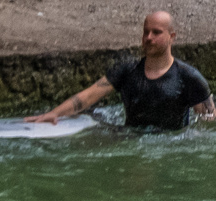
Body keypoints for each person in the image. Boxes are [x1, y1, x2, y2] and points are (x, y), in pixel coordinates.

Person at [27, 11, 214, 129]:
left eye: (156, 32)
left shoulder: (189, 77)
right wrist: (54, 113)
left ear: (172, 37)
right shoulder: (127, 70)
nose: (148, 38)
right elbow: (88, 96)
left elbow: (208, 122)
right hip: (131, 139)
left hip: (170, 145)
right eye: (145, 32)